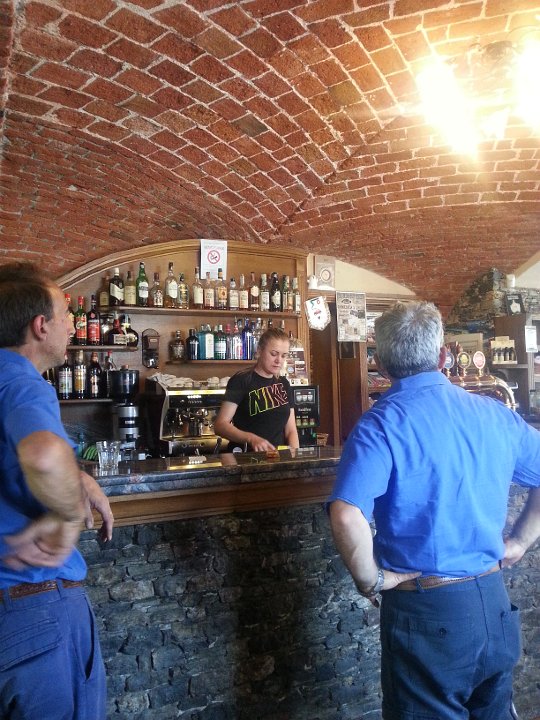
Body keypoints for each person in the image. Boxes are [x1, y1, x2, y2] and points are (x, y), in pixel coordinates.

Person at [328, 301, 540, 720]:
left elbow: (347, 514)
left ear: (380, 361)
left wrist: (372, 580)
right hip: (494, 604)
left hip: (427, 615)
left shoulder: (380, 424)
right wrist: (519, 541)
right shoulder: (494, 414)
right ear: (443, 356)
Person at [0, 262, 114, 719]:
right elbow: (44, 452)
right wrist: (67, 516)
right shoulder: (22, 383)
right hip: (33, 609)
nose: (72, 326)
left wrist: (77, 476)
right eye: (66, 315)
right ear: (40, 326)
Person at [214, 327, 299, 452]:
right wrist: (251, 438)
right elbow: (220, 425)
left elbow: (291, 430)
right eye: (273, 354)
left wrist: (295, 456)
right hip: (245, 457)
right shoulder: (241, 381)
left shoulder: (284, 384)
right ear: (259, 351)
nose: (278, 360)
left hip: (277, 458)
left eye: (283, 356)